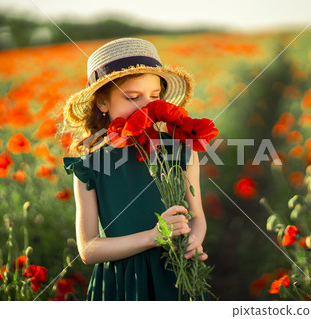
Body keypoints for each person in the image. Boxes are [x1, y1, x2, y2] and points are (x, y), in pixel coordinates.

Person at [59, 38, 210, 301]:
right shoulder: (90, 166)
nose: (146, 107)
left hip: (176, 273)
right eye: (132, 97)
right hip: (124, 283)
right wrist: (153, 236)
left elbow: (197, 216)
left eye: (154, 97)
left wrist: (194, 241)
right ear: (102, 103)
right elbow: (88, 250)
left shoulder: (182, 149)